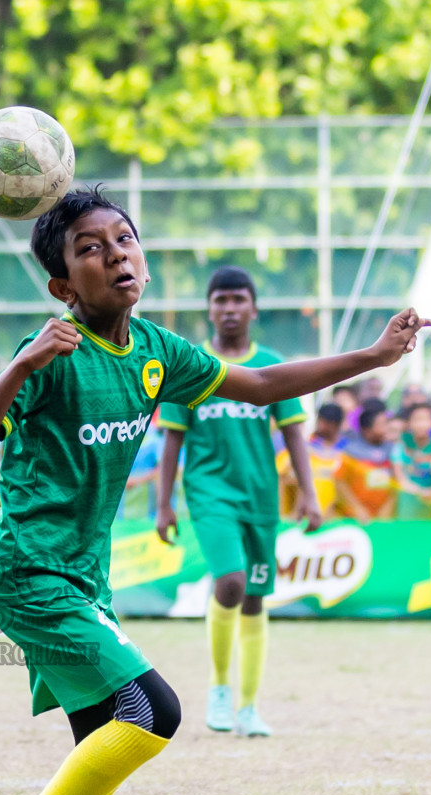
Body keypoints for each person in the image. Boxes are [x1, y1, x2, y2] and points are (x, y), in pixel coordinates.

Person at [0, 187, 431, 795]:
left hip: (81, 575)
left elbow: (264, 386)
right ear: (63, 287)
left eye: (125, 238)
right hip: (27, 571)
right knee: (153, 712)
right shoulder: (50, 353)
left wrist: (374, 355)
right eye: (91, 247)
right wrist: (24, 362)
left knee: (99, 741)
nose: (116, 254)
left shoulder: (158, 352)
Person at [154, 265, 320, 739]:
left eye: (238, 300)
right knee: (229, 581)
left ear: (253, 308)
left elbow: (294, 433)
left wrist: (308, 494)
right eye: (220, 300)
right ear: (209, 309)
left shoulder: (270, 362)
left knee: (254, 598)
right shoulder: (190, 364)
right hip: (210, 494)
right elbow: (172, 442)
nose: (229, 309)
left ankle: (248, 707)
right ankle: (218, 688)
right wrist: (163, 505)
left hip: (260, 498)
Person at [336, 401, 396, 523]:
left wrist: (387, 510)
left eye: (386, 424)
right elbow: (339, 482)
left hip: (383, 519)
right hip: (354, 518)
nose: (386, 429)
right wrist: (356, 508)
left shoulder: (393, 450)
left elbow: (396, 484)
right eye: (381, 425)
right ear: (366, 429)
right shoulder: (350, 452)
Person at [393, 403, 431, 519]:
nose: (421, 424)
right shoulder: (401, 443)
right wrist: (420, 492)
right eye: (416, 420)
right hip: (407, 508)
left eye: (425, 419)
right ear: (409, 423)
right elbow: (400, 477)